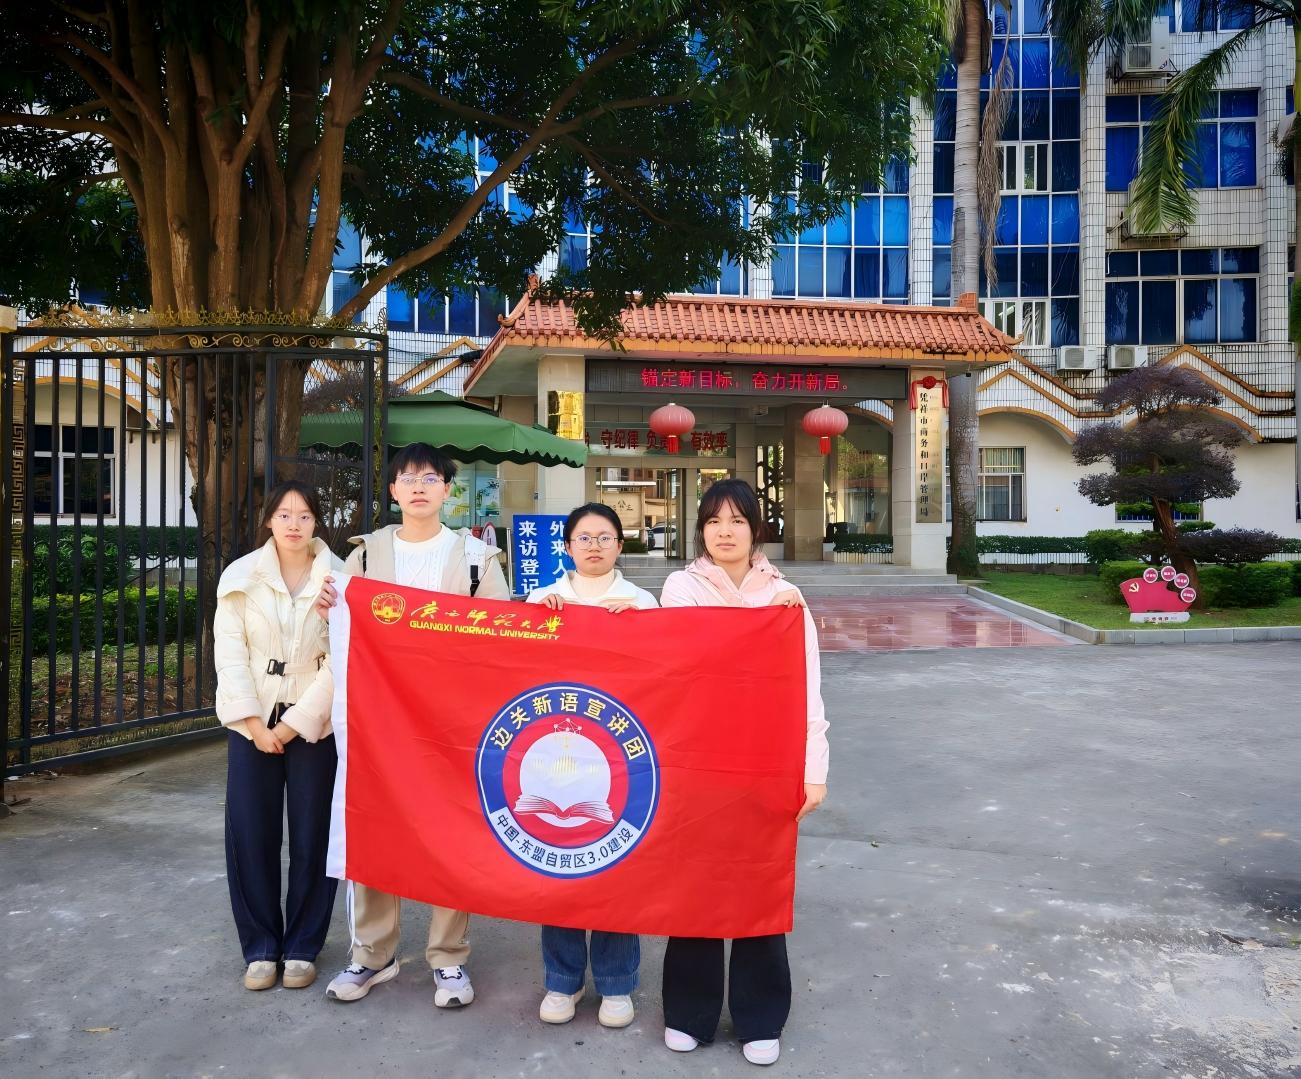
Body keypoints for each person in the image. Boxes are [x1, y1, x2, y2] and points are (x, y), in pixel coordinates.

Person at [317, 443, 509, 1008]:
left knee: (452, 831)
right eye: (408, 478)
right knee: (377, 824)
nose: (419, 487)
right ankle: (372, 954)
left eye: (430, 478)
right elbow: (339, 635)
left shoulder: (476, 558)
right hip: (381, 719)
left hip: (453, 720)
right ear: (394, 490)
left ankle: (448, 957)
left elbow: (500, 631)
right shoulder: (365, 557)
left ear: (447, 489)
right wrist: (330, 610)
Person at [657, 478, 828, 1067]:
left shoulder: (787, 595)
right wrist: (763, 622)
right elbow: (695, 657)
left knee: (760, 883)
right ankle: (689, 1012)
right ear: (700, 531)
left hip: (766, 762)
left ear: (756, 529)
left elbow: (808, 689)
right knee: (696, 885)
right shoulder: (680, 587)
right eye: (713, 521)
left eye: (736, 520)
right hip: (698, 759)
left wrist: (814, 768)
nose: (724, 532)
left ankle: (760, 1017)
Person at [525, 503, 658, 1029]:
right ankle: (562, 978)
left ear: (620, 546)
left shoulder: (643, 601)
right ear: (568, 547)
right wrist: (539, 619)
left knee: (614, 866)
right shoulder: (541, 599)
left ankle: (617, 981)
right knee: (558, 861)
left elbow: (663, 675)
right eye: (584, 537)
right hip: (552, 754)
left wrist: (639, 628)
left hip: (620, 754)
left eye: (605, 537)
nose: (595, 546)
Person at [214, 480, 342, 992]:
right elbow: (229, 654)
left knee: (313, 835)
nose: (294, 524)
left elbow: (343, 659)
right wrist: (252, 723)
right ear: (269, 519)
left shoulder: (340, 578)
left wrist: (294, 724)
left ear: (316, 522)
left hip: (314, 724)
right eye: (284, 514)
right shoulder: (240, 576)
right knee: (251, 834)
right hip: (253, 721)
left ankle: (304, 945)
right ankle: (261, 947)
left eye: (305, 515)